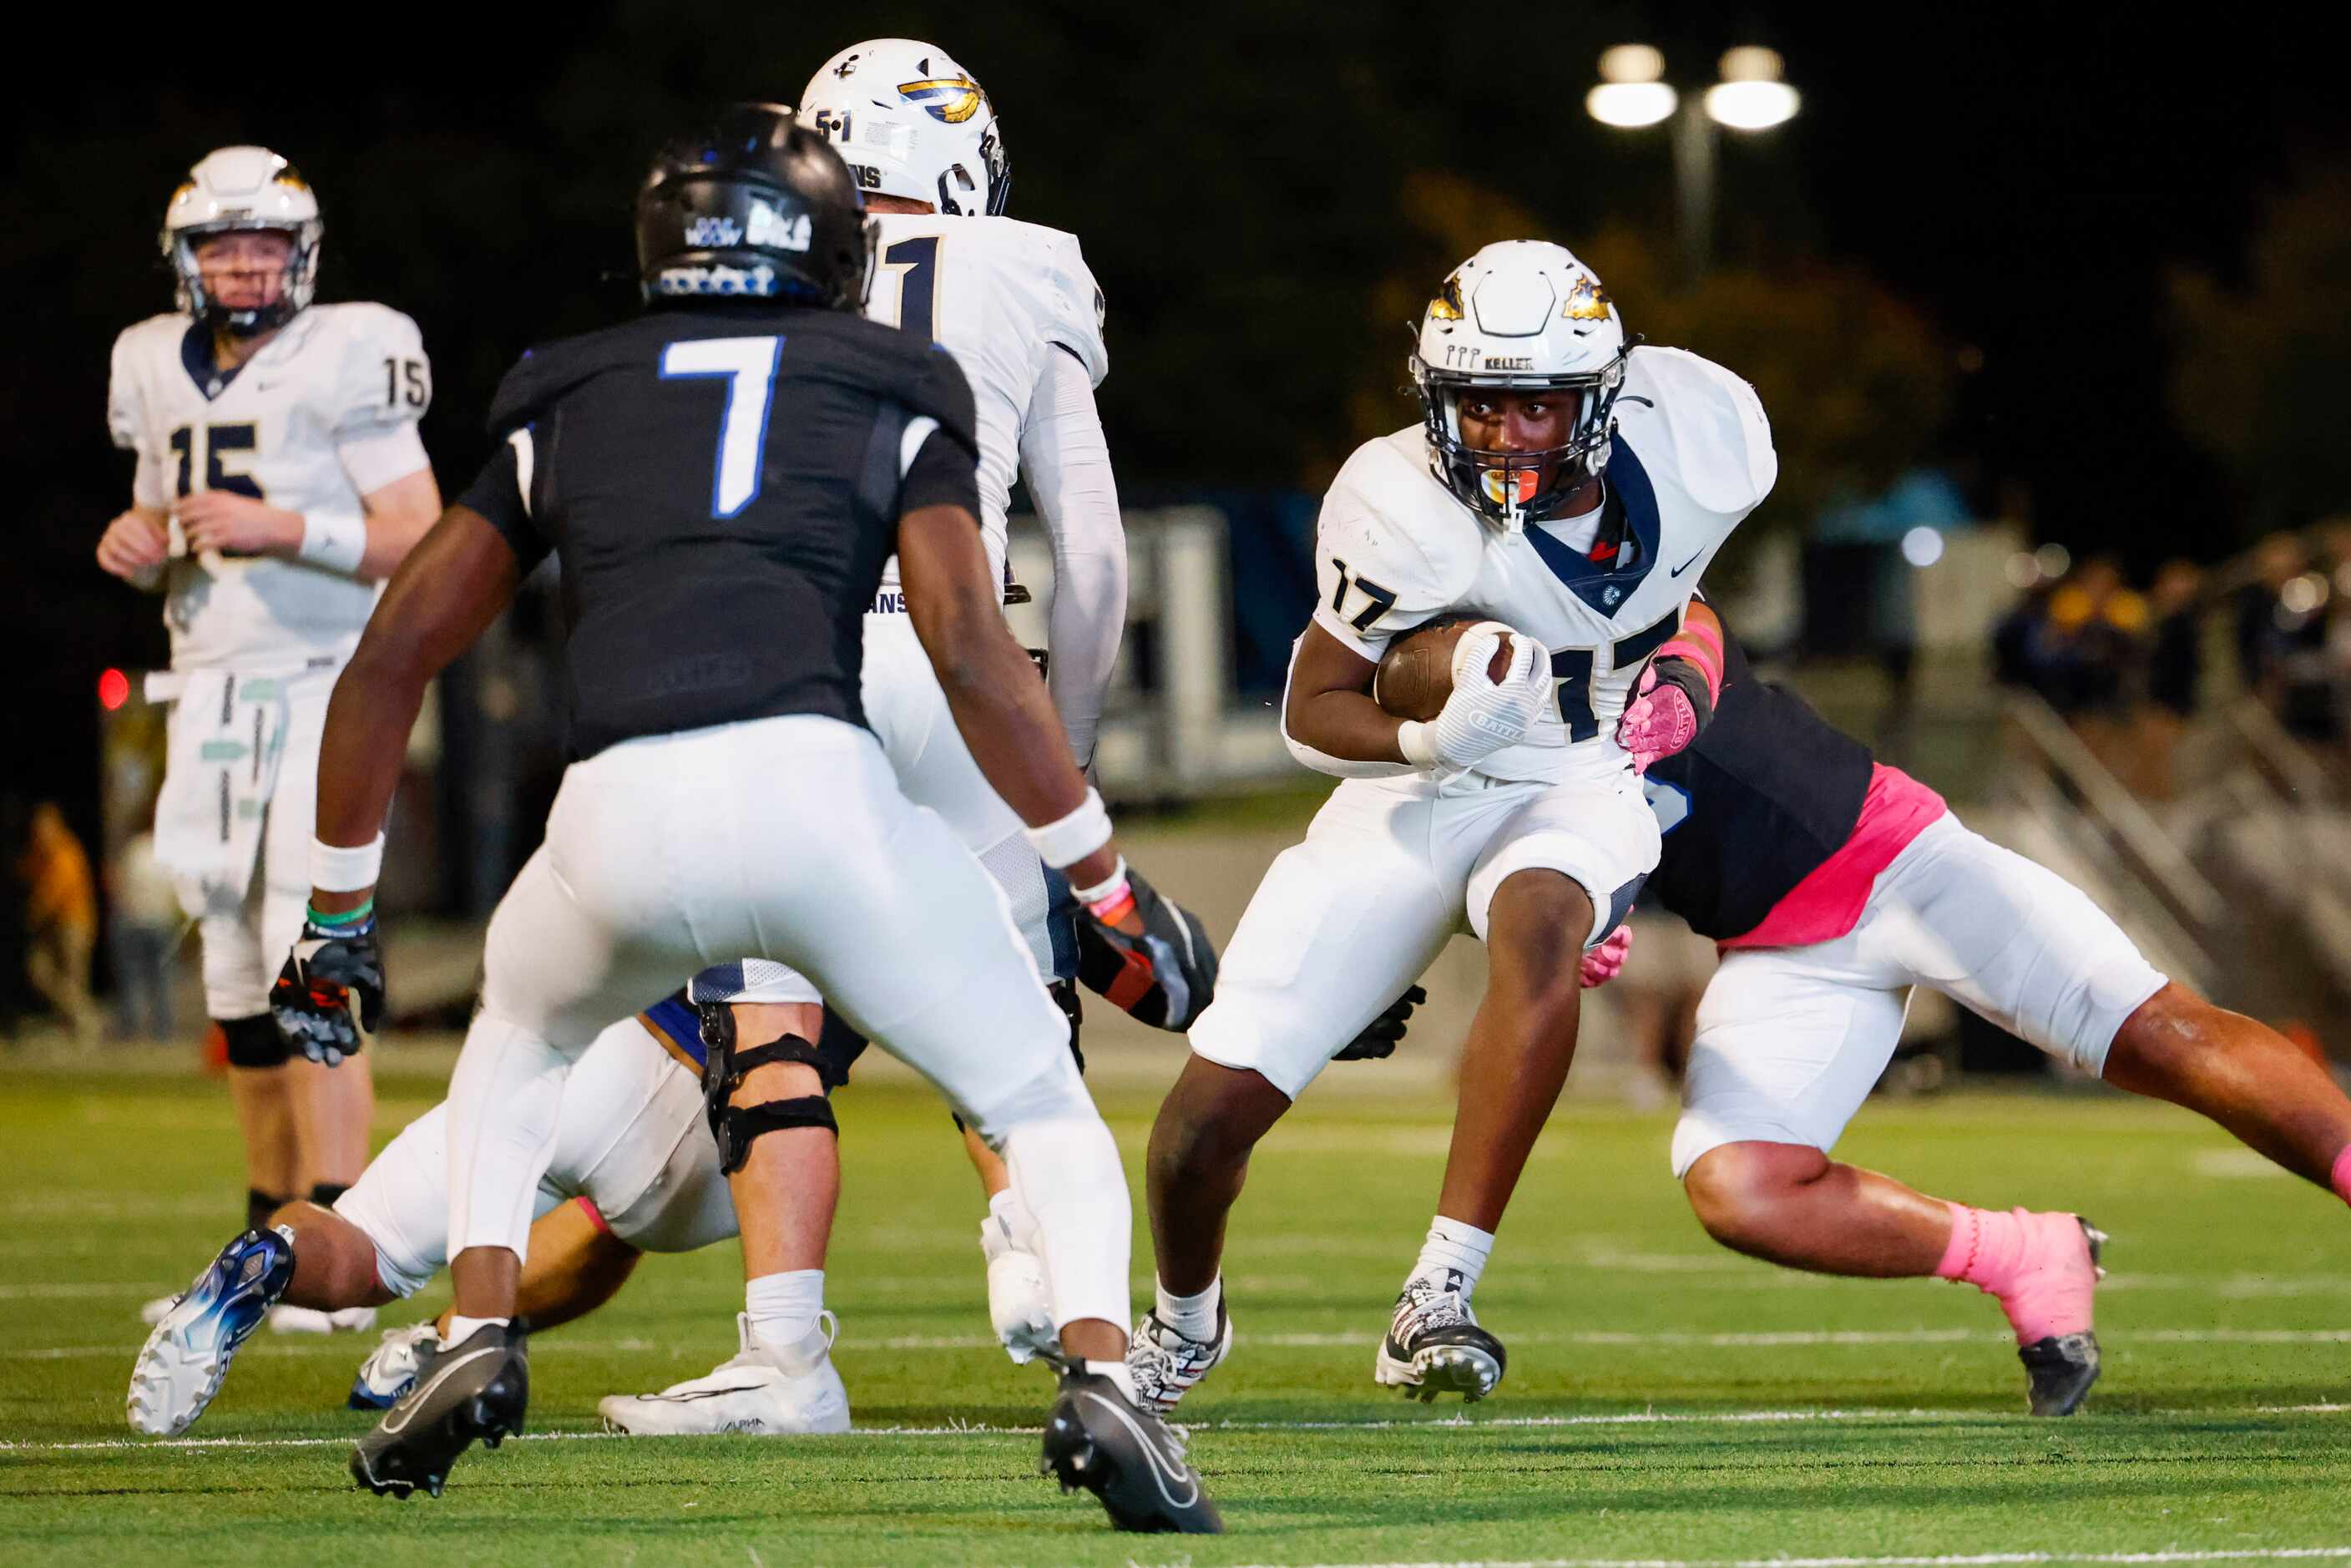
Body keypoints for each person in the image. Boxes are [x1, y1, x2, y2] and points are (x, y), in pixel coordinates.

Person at [136, 107, 1220, 1533]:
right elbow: (966, 641)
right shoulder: (896, 376)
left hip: (615, 811)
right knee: (1033, 1097)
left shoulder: (568, 384)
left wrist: (337, 909)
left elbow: (394, 651)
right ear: (830, 245)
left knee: (516, 1048)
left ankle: (475, 1324)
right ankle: (1097, 1369)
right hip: (818, 793)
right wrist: (1100, 868)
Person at [604, 38, 1155, 1433]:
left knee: (768, 1011)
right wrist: (1062, 754)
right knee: (1021, 1021)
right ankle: (1070, 1307)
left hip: (789, 646)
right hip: (965, 650)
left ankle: (787, 1356)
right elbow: (1090, 555)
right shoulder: (1028, 259)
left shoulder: (755, 268)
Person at [1133, 240, 1771, 1414]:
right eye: (1480, 403)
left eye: (1540, 403)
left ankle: (1439, 1291)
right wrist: (1431, 736)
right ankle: (1182, 1322)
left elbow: (1679, 597)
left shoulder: (1705, 441)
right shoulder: (1396, 504)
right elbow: (1310, 710)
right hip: (1408, 786)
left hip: (1576, 772)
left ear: (1601, 398)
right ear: (1435, 397)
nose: (1512, 432)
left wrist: (1691, 670)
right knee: (1198, 1128)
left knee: (1541, 926)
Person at [1595, 598, 2351, 1414]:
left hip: (1898, 864)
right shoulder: (1482, 720)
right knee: (1741, 1188)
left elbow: (1687, 621)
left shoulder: (1619, 578)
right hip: (1773, 945)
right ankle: (2026, 1254)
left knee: (2155, 1035)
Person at [97, 147, 440, 1328]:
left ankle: (341, 1235)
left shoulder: (350, 347)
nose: (245, 264)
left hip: (325, 685)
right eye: (221, 246)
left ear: (303, 253)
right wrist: (141, 538)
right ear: (184, 260)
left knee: (314, 961)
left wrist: (278, 523)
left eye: (264, 244)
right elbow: (167, 502)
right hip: (210, 688)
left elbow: (421, 531)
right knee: (234, 970)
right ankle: (266, 1235)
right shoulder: (148, 360)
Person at [128, 993, 830, 1435]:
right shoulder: (860, 835)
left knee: (360, 1248)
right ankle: (449, 1342)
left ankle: (274, 1258)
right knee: (620, 1223)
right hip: (718, 1114)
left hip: (571, 1062)